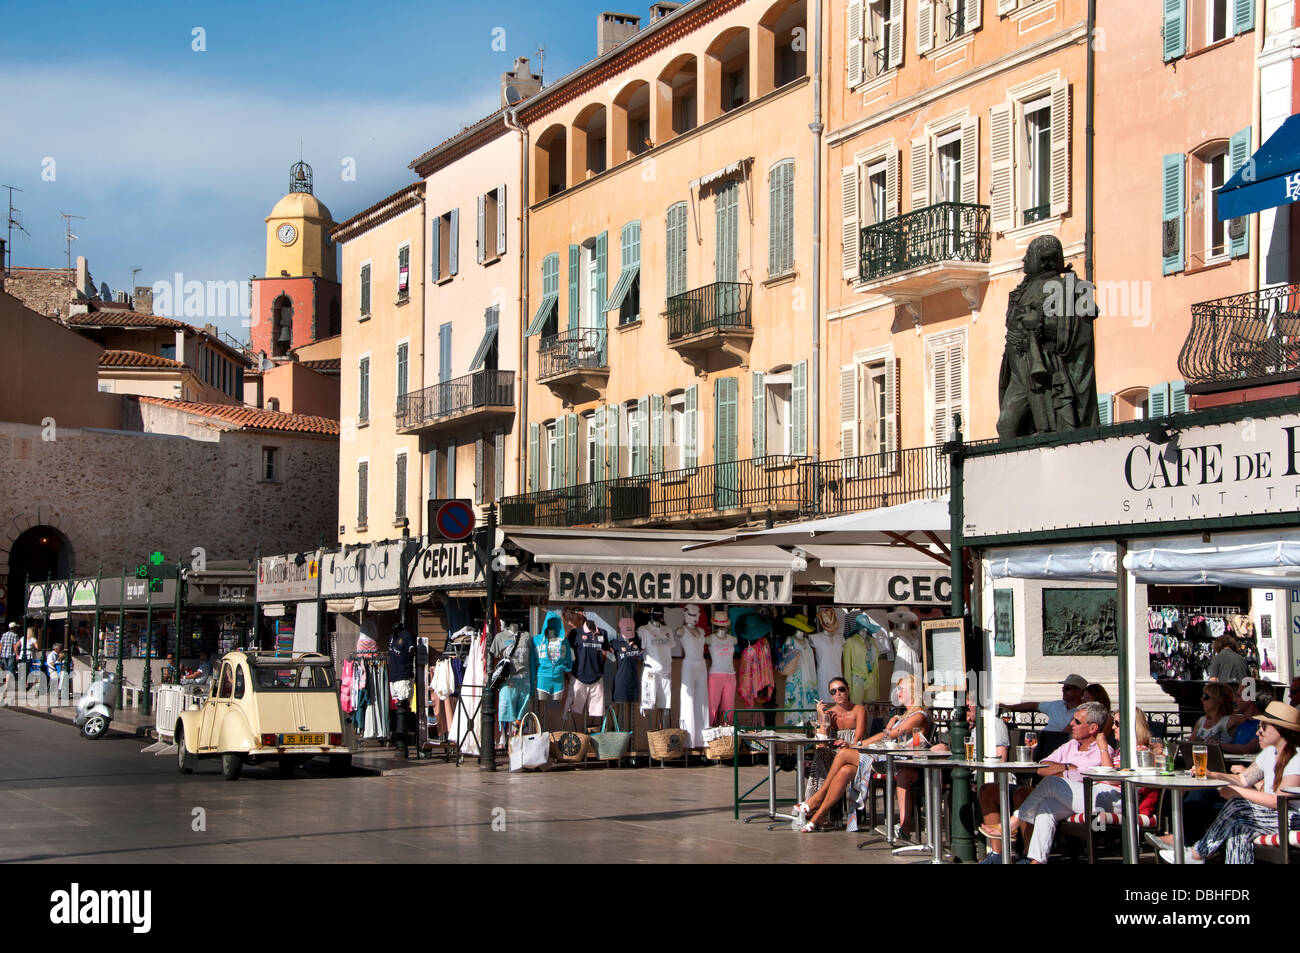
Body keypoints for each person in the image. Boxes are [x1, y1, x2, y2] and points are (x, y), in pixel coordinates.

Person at [1150, 702, 1300, 864]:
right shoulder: (1270, 753)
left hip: (1291, 818)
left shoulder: (1297, 758)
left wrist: (1237, 792)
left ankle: (1197, 853)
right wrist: (1212, 774)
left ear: (1280, 730)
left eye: (1263, 726)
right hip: (1272, 817)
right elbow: (1243, 779)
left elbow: (1279, 801)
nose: (1258, 732)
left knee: (1237, 804)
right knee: (1239, 831)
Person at [794, 675, 928, 834]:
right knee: (844, 770)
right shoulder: (904, 716)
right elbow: (821, 740)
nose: (897, 692)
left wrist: (857, 745)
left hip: (898, 761)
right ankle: (818, 817)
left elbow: (888, 736)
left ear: (912, 691)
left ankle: (817, 798)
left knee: (843, 754)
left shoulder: (919, 715)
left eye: (900, 689)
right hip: (886, 757)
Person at [990, 702, 1120, 864]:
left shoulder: (1103, 749)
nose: (1071, 724)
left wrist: (1060, 773)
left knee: (1051, 782)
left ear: (1093, 728)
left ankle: (1013, 822)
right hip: (1075, 797)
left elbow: (1081, 776)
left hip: (1096, 800)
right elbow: (1042, 767)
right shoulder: (1072, 745)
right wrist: (1066, 767)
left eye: (1077, 722)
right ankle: (1036, 862)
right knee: (1047, 808)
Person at [1000, 674, 1087, 732]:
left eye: (1067, 688)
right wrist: (1010, 707)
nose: (1063, 691)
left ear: (1078, 691)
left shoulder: (1084, 711)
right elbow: (1034, 705)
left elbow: (1067, 733)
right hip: (1043, 740)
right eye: (1063, 688)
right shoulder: (1057, 705)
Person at [1222, 683, 1269, 756]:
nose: (1234, 700)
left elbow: (1248, 749)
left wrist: (1219, 745)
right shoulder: (1243, 724)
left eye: (1238, 696)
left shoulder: (1265, 724)